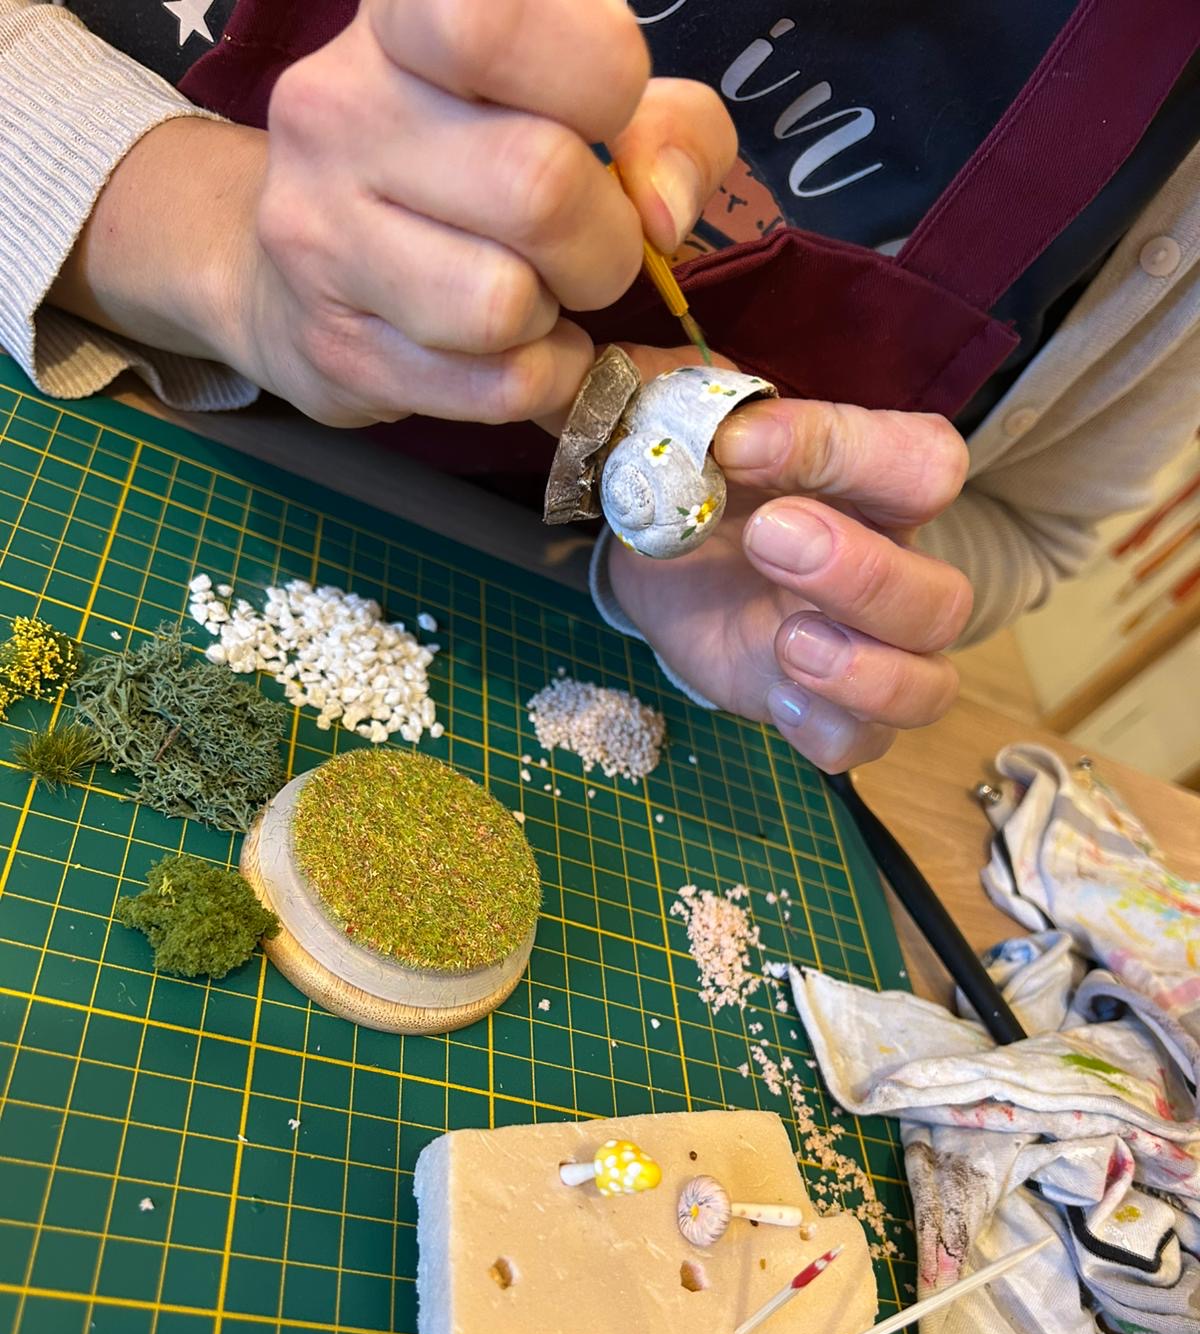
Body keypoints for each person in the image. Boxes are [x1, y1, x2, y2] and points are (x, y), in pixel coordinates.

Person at [0, 0, 1196, 773]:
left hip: (518, 611)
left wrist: (806, 561)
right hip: (72, 421)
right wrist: (225, 249)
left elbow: (1026, 521)